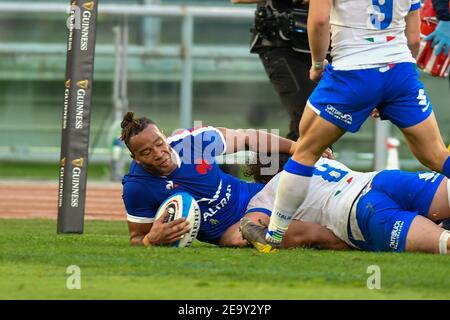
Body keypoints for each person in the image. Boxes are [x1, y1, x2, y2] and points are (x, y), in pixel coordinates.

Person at [261, 0, 450, 249]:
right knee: (436, 155)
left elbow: (318, 20)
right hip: (400, 72)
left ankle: (273, 235)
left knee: (306, 150)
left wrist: (318, 65)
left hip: (354, 70)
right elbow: (413, 39)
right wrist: (389, 88)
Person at [120, 112, 343, 249]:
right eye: (146, 152)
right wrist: (151, 240)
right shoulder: (136, 187)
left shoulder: (192, 142)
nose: (158, 153)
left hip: (257, 195)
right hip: (231, 231)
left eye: (159, 143)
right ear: (135, 158)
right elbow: (136, 238)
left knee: (329, 204)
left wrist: (297, 148)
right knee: (315, 235)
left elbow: (248, 138)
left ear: (164, 135)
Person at [240, 152, 450, 254]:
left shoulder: (272, 188)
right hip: (380, 179)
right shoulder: (317, 158)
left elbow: (248, 227)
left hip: (356, 211)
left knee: (444, 243)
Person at [231, 0, 316, 140]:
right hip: (281, 44)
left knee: (321, 121)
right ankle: (297, 158)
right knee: (309, 120)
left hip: (328, 43)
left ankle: (298, 158)